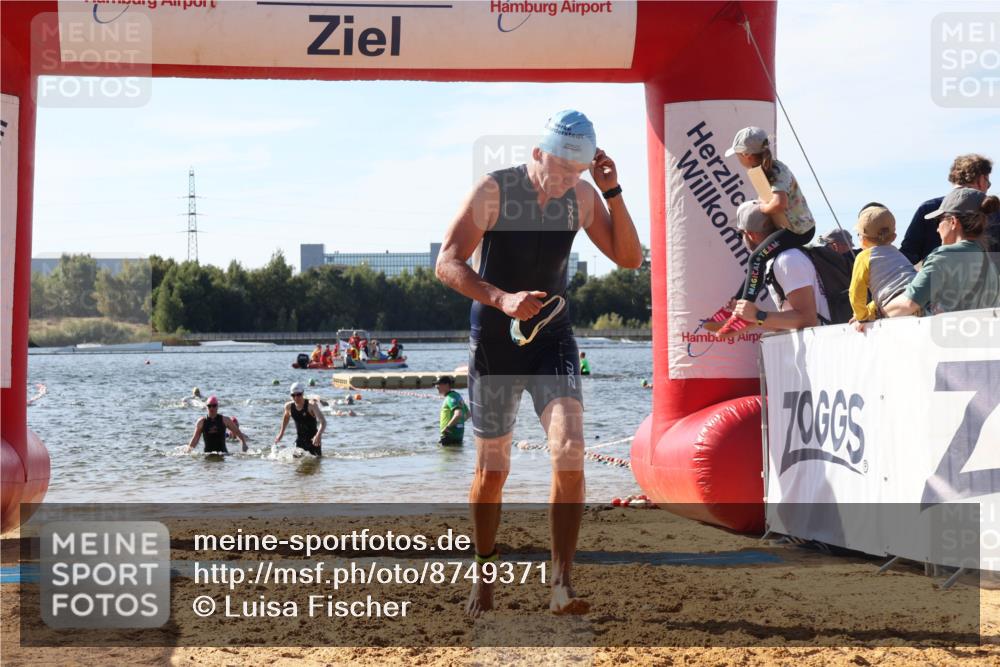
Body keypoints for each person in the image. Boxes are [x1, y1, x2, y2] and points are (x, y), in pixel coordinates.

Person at [435, 109, 642, 616]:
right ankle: (485, 574)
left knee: (570, 450)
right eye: (558, 169)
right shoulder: (495, 191)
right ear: (536, 153)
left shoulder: (584, 197)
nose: (563, 182)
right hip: (496, 339)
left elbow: (631, 258)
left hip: (553, 335)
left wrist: (612, 192)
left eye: (576, 173)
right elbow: (447, 262)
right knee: (492, 470)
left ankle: (561, 585)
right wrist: (502, 298)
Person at [704, 127, 817, 337]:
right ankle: (737, 304)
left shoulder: (775, 170)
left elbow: (779, 203)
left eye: (737, 155)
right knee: (759, 263)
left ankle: (742, 313)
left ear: (746, 155)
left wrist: (760, 208)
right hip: (790, 227)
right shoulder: (763, 169)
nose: (738, 159)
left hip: (799, 231)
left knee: (756, 258)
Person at [885, 189, 1000, 317]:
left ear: (953, 222)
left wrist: (876, 312)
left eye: (939, 220)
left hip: (950, 336)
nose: (937, 228)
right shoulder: (991, 261)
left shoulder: (944, 257)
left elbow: (908, 304)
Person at [728, 200, 828, 332]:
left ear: (750, 234)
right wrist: (751, 320)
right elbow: (791, 323)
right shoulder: (776, 260)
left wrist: (758, 315)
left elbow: (808, 320)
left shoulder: (787, 260)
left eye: (740, 235)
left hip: (820, 346)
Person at [901, 154, 997, 265]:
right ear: (981, 180)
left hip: (936, 280)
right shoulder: (994, 210)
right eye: (988, 183)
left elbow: (908, 256)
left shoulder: (928, 209)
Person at [847, 205, 917, 329]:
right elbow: (890, 288)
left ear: (862, 239)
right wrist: (870, 310)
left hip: (895, 310)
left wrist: (862, 317)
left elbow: (856, 292)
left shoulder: (864, 257)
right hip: (916, 301)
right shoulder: (897, 254)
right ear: (894, 237)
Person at [274, 382, 327, 456]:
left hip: (314, 440)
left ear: (303, 393)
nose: (296, 398)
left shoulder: (311, 405)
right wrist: (281, 433)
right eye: (293, 395)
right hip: (300, 439)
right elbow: (286, 417)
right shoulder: (288, 407)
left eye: (298, 395)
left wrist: (318, 435)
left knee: (315, 463)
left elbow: (323, 422)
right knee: (296, 463)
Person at [434, 375, 469, 446]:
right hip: (458, 435)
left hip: (449, 435)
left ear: (447, 385)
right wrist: (458, 424)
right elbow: (468, 414)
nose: (436, 386)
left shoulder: (450, 397)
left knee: (446, 456)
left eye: (439, 384)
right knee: (455, 455)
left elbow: (458, 414)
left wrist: (448, 427)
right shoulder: (457, 396)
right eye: (436, 384)